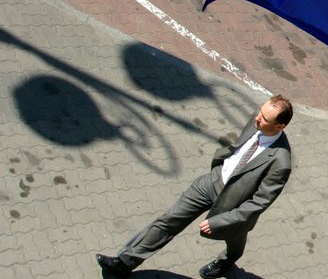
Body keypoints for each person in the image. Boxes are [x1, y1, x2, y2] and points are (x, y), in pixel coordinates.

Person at [96, 95, 294, 278]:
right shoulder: (256, 120)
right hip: (212, 182)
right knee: (170, 219)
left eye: (264, 118)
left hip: (234, 205)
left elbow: (258, 203)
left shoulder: (280, 162)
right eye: (259, 111)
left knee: (235, 238)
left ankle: (228, 259)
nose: (257, 118)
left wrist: (220, 221)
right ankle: (125, 262)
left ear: (279, 126)